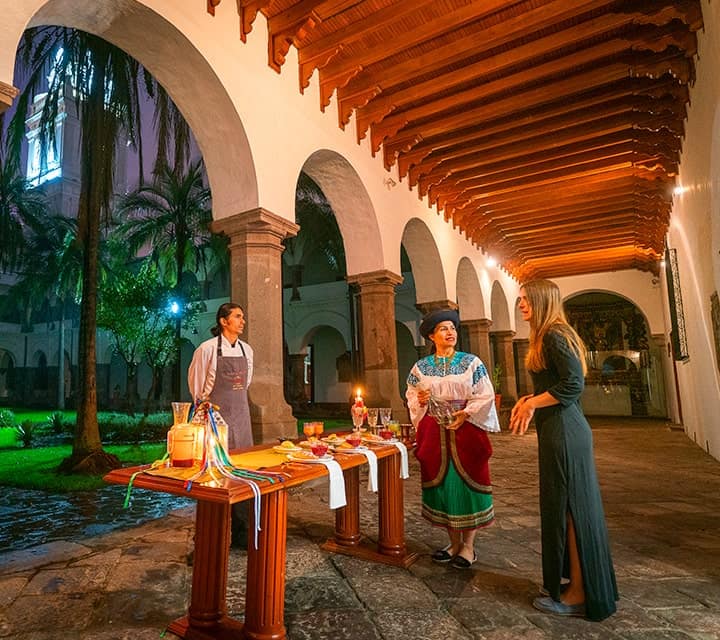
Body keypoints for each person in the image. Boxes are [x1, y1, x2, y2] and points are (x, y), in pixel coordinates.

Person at [510, 279, 618, 621]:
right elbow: (556, 384)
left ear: (542, 301)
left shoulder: (556, 334)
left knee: (571, 509)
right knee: (565, 506)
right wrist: (529, 400)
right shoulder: (548, 335)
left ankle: (578, 594)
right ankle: (574, 582)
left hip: (565, 430)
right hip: (558, 427)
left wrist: (530, 405)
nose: (521, 304)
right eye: (521, 299)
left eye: (526, 300)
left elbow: (572, 384)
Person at [406, 308, 500, 569]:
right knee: (444, 487)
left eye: (452, 328)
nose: (450, 333)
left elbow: (485, 394)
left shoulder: (472, 363)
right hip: (434, 433)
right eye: (443, 329)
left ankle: (468, 546)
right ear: (432, 336)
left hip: (466, 429)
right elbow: (412, 394)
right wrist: (420, 399)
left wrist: (467, 413)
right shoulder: (421, 367)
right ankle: (453, 543)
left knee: (467, 485)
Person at [188, 302, 254, 546]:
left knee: (241, 474)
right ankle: (207, 540)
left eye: (242, 316)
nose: (242, 321)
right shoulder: (205, 350)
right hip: (214, 423)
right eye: (237, 316)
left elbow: (245, 385)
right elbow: (197, 388)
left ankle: (242, 533)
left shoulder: (248, 351)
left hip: (241, 419)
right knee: (213, 478)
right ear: (223, 321)